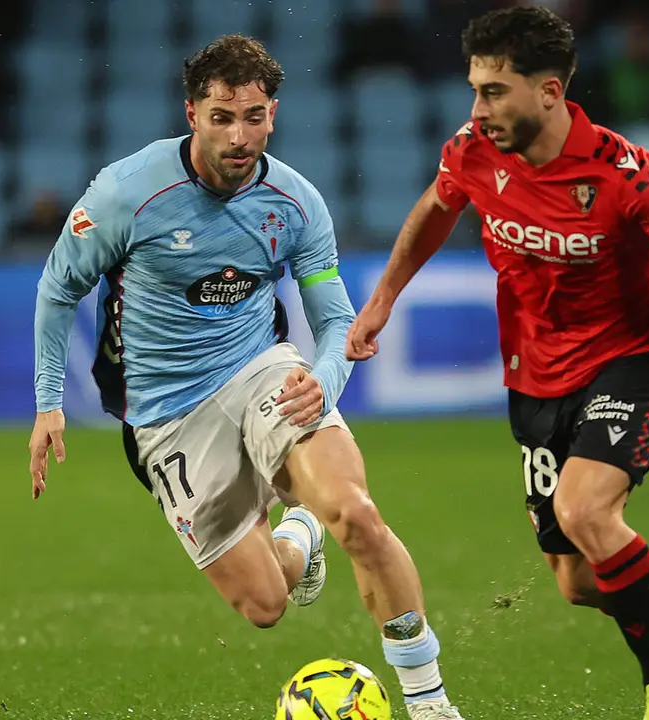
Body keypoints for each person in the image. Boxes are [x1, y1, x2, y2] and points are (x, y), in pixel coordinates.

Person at [345, 7, 649, 720]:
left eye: (493, 91)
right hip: (535, 380)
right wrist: (383, 297)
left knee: (584, 511)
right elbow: (436, 206)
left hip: (632, 361)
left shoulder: (624, 173)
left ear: (548, 91)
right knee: (577, 581)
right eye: (475, 89)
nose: (476, 109)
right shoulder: (474, 149)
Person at [28, 35, 465, 720]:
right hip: (165, 414)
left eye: (255, 116)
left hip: (262, 371)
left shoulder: (294, 203)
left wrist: (324, 377)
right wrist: (48, 403)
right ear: (192, 113)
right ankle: (297, 534)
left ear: (273, 112)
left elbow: (332, 317)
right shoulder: (125, 194)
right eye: (223, 117)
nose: (240, 135)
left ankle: (429, 700)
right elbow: (58, 290)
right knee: (265, 604)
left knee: (355, 513)